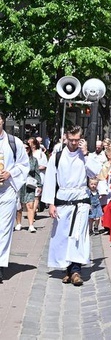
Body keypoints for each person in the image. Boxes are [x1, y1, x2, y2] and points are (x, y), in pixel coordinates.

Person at [40, 125, 91, 287]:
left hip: (80, 200)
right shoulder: (57, 156)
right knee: (62, 236)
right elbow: (50, 180)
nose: (74, 143)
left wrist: (86, 154)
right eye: (72, 140)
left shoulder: (85, 156)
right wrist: (50, 203)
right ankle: (67, 269)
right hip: (63, 200)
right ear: (66, 138)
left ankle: (76, 270)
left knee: (77, 236)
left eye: (77, 140)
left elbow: (96, 173)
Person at [0, 112, 30, 283]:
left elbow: (23, 163)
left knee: (4, 228)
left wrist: (9, 173)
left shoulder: (13, 142)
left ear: (2, 120)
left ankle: (0, 265)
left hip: (7, 190)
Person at [15, 142, 41, 232]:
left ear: (30, 149)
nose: (25, 150)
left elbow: (37, 172)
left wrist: (39, 185)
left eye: (27, 148)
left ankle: (31, 225)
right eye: (24, 148)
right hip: (19, 185)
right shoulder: (16, 160)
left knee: (30, 205)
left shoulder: (33, 160)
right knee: (19, 206)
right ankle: (18, 223)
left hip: (30, 185)